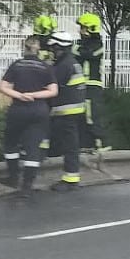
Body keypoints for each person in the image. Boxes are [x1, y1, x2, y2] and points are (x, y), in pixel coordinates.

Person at [0, 36, 59, 195]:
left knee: (11, 143)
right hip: (39, 110)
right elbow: (53, 91)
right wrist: (35, 94)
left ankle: (13, 177)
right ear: (38, 50)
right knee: (33, 147)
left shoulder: (17, 65)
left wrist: (20, 95)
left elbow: (3, 87)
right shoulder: (45, 67)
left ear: (24, 48)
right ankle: (27, 185)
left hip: (18, 109)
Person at [44, 32, 88, 191]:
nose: (51, 51)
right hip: (74, 112)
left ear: (59, 47)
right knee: (69, 145)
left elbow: (51, 88)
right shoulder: (73, 62)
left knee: (68, 146)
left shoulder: (63, 66)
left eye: (53, 48)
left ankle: (70, 179)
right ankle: (69, 176)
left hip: (65, 113)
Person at [74, 12, 106, 150]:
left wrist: (77, 51)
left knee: (92, 114)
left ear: (90, 29)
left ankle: (100, 143)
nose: (80, 31)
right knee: (81, 115)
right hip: (81, 85)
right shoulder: (78, 45)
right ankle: (86, 144)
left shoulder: (98, 45)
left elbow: (89, 54)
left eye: (83, 28)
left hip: (92, 85)